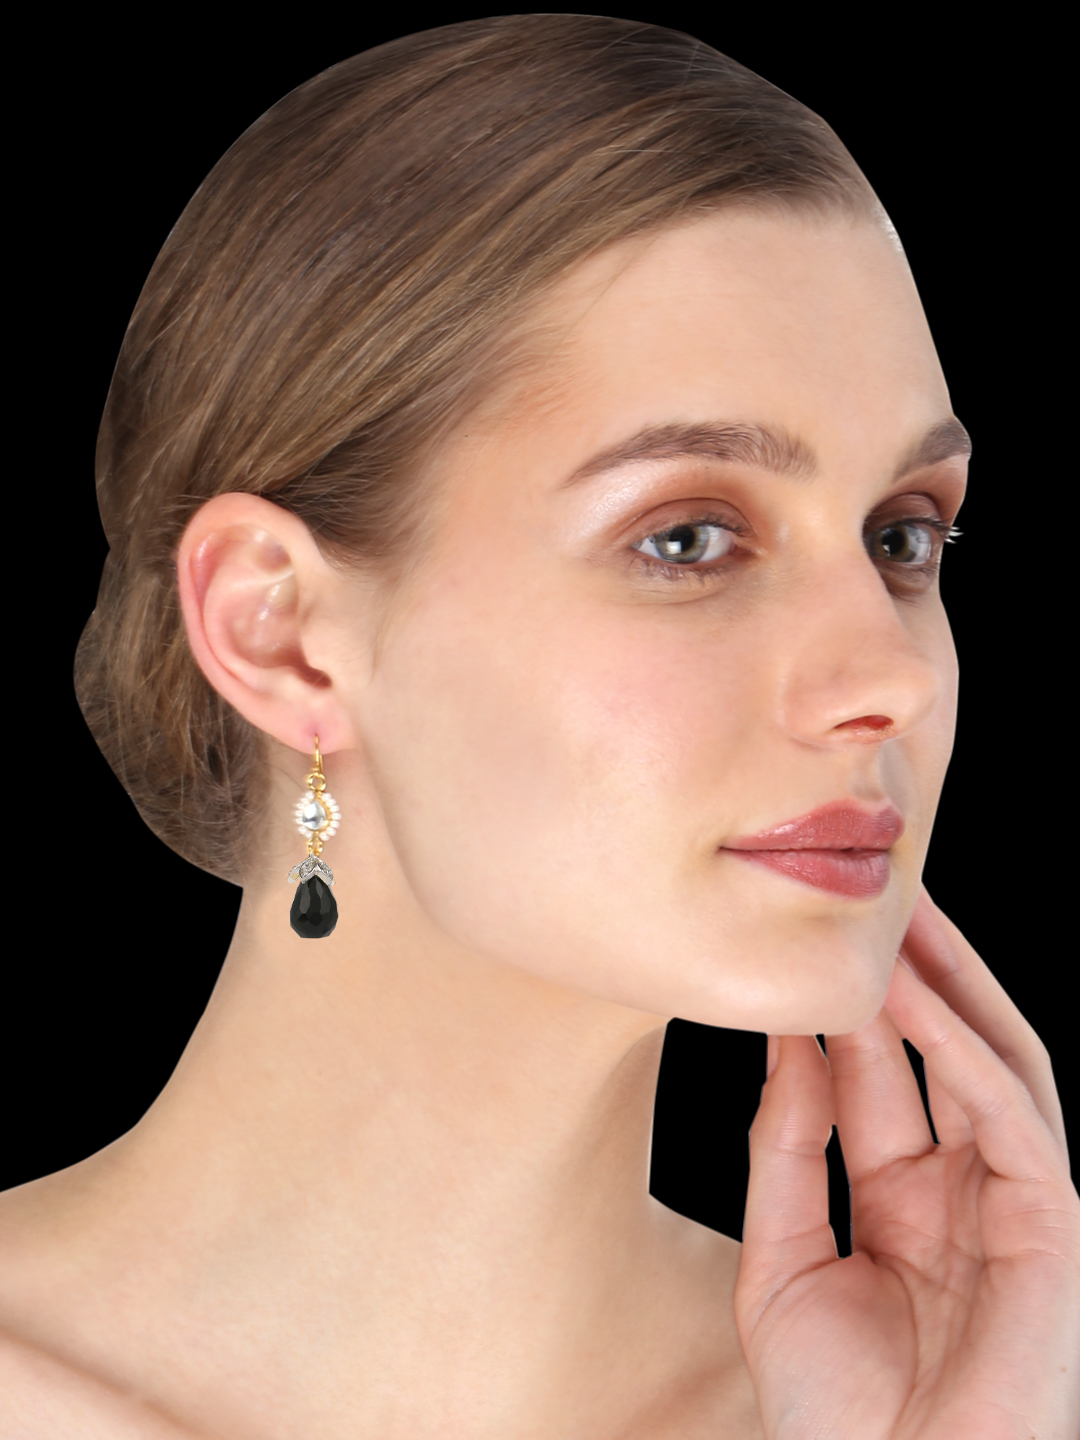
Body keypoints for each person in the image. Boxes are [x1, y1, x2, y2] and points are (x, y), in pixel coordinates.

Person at [2, 14, 1077, 1437]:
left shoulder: (932, 1403)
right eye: (688, 537)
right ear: (280, 630)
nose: (893, 676)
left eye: (902, 535)